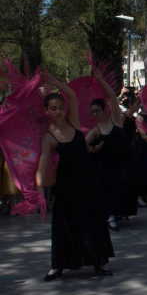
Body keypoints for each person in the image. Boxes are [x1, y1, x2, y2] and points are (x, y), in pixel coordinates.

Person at [36, 74, 114, 281]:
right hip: (66, 184)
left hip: (87, 180)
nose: (59, 111)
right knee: (64, 224)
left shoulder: (74, 122)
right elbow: (41, 167)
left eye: (61, 107)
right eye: (54, 108)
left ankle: (100, 261)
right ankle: (58, 266)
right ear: (47, 111)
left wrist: (54, 83)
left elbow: (71, 94)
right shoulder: (48, 136)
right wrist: (39, 191)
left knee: (92, 220)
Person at [84, 70, 137, 231]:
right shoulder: (96, 129)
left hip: (126, 159)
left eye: (97, 110)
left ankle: (117, 214)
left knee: (125, 187)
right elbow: (83, 143)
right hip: (110, 164)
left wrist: (100, 79)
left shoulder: (115, 119)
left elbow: (113, 98)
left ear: (104, 110)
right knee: (111, 188)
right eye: (93, 111)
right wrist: (89, 147)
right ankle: (111, 216)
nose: (95, 114)